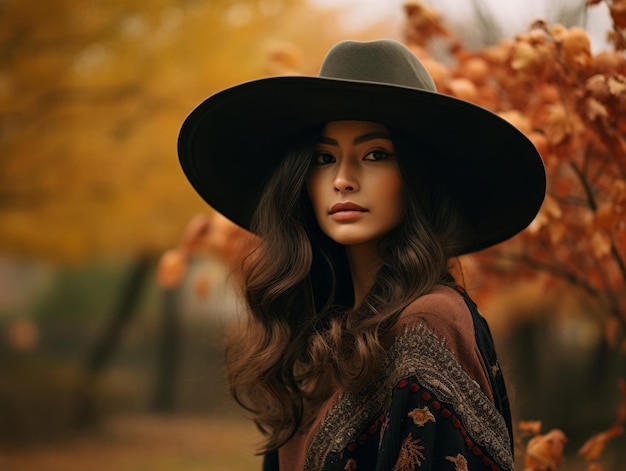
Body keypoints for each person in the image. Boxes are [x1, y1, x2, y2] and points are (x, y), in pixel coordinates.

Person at [178, 39, 545, 470]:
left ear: (416, 179)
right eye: (324, 157)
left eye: (375, 154)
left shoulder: (427, 324)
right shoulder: (323, 349)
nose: (343, 179)